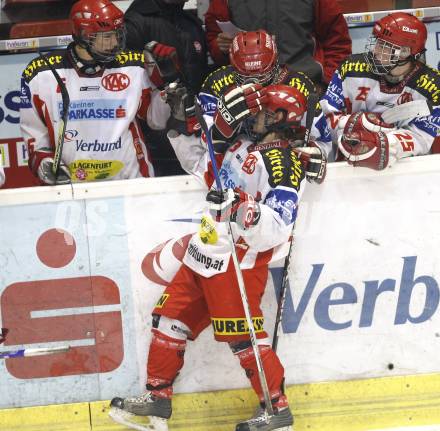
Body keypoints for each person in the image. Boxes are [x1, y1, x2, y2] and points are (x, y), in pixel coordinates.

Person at [109, 84, 328, 431]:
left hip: (236, 261)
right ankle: (158, 399)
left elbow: (279, 224)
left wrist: (244, 210)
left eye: (259, 112)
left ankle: (277, 410)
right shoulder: (243, 144)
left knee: (243, 339)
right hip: (204, 251)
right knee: (168, 320)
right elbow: (206, 169)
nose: (250, 116)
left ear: (279, 119)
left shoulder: (283, 163)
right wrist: (182, 126)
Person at [20, 0, 170, 185]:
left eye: (117, 34)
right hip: (71, 187)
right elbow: (35, 136)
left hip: (132, 182)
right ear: (82, 35)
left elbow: (157, 121)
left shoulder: (135, 66)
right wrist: (46, 163)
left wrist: (166, 85)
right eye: (106, 36)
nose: (115, 42)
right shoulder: (41, 74)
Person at [320, 12, 440, 170]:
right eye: (377, 42)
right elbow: (327, 118)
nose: (375, 51)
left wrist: (384, 143)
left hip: (402, 166)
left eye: (384, 46)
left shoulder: (432, 86)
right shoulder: (350, 68)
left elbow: (422, 138)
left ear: (404, 52)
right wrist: (354, 126)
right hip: (348, 161)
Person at [198, 30, 332, 155]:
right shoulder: (216, 83)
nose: (256, 83)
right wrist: (219, 130)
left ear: (276, 62)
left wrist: (311, 155)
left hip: (285, 160)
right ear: (232, 65)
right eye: (245, 76)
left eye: (262, 75)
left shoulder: (300, 85)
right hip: (234, 161)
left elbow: (323, 141)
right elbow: (205, 146)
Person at [123, 0, 209, 177]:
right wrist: (157, 73)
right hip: (155, 140)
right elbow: (126, 84)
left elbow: (200, 78)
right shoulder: (135, 22)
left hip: (195, 135)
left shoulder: (191, 23)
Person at [204, 0, 352, 89]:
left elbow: (338, 43)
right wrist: (221, 48)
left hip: (306, 89)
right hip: (247, 94)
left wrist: (326, 84)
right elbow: (214, 36)